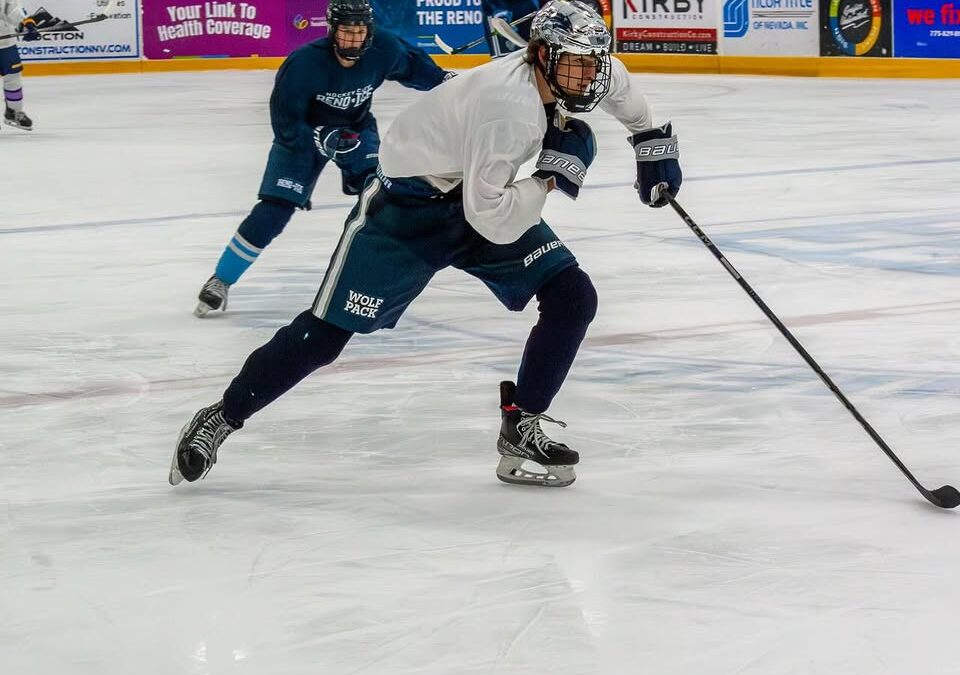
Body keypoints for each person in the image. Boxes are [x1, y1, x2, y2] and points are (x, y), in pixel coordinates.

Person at [169, 0, 682, 489]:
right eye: (576, 66)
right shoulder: (511, 112)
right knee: (325, 335)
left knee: (573, 297)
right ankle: (223, 415)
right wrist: (551, 176)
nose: (589, 77)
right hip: (408, 209)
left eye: (594, 64)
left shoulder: (583, 69)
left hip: (474, 192)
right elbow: (495, 222)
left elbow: (626, 96)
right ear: (541, 56)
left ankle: (521, 426)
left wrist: (651, 143)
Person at [194, 0, 455, 317]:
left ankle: (378, 278)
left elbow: (414, 67)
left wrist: (443, 83)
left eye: (360, 32)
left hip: (356, 131)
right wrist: (320, 138)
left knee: (381, 199)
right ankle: (221, 279)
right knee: (274, 211)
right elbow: (286, 122)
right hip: (301, 140)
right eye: (346, 32)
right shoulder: (303, 64)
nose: (354, 40)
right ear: (332, 30)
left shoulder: (384, 47)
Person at [0, 0, 39, 131]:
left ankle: (13, 112)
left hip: (5, 42)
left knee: (13, 76)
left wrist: (25, 23)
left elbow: (12, 8)